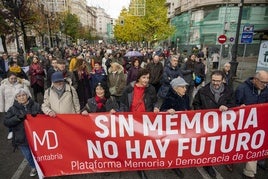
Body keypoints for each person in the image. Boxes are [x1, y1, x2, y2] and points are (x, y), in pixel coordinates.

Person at [192, 70, 236, 178]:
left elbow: (234, 103)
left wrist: (228, 107)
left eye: (218, 81)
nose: (216, 83)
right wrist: (202, 114)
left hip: (223, 124)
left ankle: (225, 160)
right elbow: (196, 104)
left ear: (223, 80)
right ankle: (208, 165)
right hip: (207, 124)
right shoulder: (203, 91)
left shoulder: (229, 91)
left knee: (221, 143)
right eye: (213, 80)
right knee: (209, 144)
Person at [120, 68, 160, 179]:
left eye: (148, 78)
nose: (146, 80)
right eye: (144, 77)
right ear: (138, 78)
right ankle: (137, 165)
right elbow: (123, 103)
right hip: (132, 121)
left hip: (146, 121)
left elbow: (155, 100)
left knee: (142, 143)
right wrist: (123, 115)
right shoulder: (129, 88)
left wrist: (156, 107)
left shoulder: (151, 89)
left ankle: (140, 165)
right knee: (135, 144)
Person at [235, 70, 268, 179]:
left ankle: (249, 172)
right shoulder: (242, 89)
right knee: (237, 145)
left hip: (259, 125)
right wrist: (239, 107)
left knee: (254, 146)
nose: (265, 85)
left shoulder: (266, 90)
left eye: (267, 82)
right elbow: (234, 104)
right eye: (263, 82)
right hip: (243, 124)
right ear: (255, 79)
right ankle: (229, 161)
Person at [4, 88, 42, 177]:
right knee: (28, 155)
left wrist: (38, 115)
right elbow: (6, 122)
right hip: (21, 137)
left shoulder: (36, 105)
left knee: (39, 154)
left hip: (36, 137)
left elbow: (44, 118)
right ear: (16, 98)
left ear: (27, 95)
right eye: (19, 96)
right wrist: (17, 118)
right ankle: (34, 167)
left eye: (24, 95)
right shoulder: (12, 109)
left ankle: (42, 167)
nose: (22, 97)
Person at [160, 77, 190, 179]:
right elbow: (162, 111)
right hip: (172, 128)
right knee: (174, 146)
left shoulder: (186, 97)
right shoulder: (169, 99)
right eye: (183, 87)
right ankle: (174, 165)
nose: (185, 89)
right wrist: (167, 111)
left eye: (185, 87)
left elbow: (188, 109)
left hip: (183, 126)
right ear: (176, 88)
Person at [0, 72, 31, 139]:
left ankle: (21, 131)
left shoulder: (20, 84)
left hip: (18, 106)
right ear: (8, 78)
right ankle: (11, 131)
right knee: (10, 120)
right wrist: (1, 108)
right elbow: (1, 97)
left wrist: (22, 80)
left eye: (15, 78)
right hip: (8, 106)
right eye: (11, 78)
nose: (13, 80)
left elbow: (28, 84)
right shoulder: (3, 86)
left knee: (18, 119)